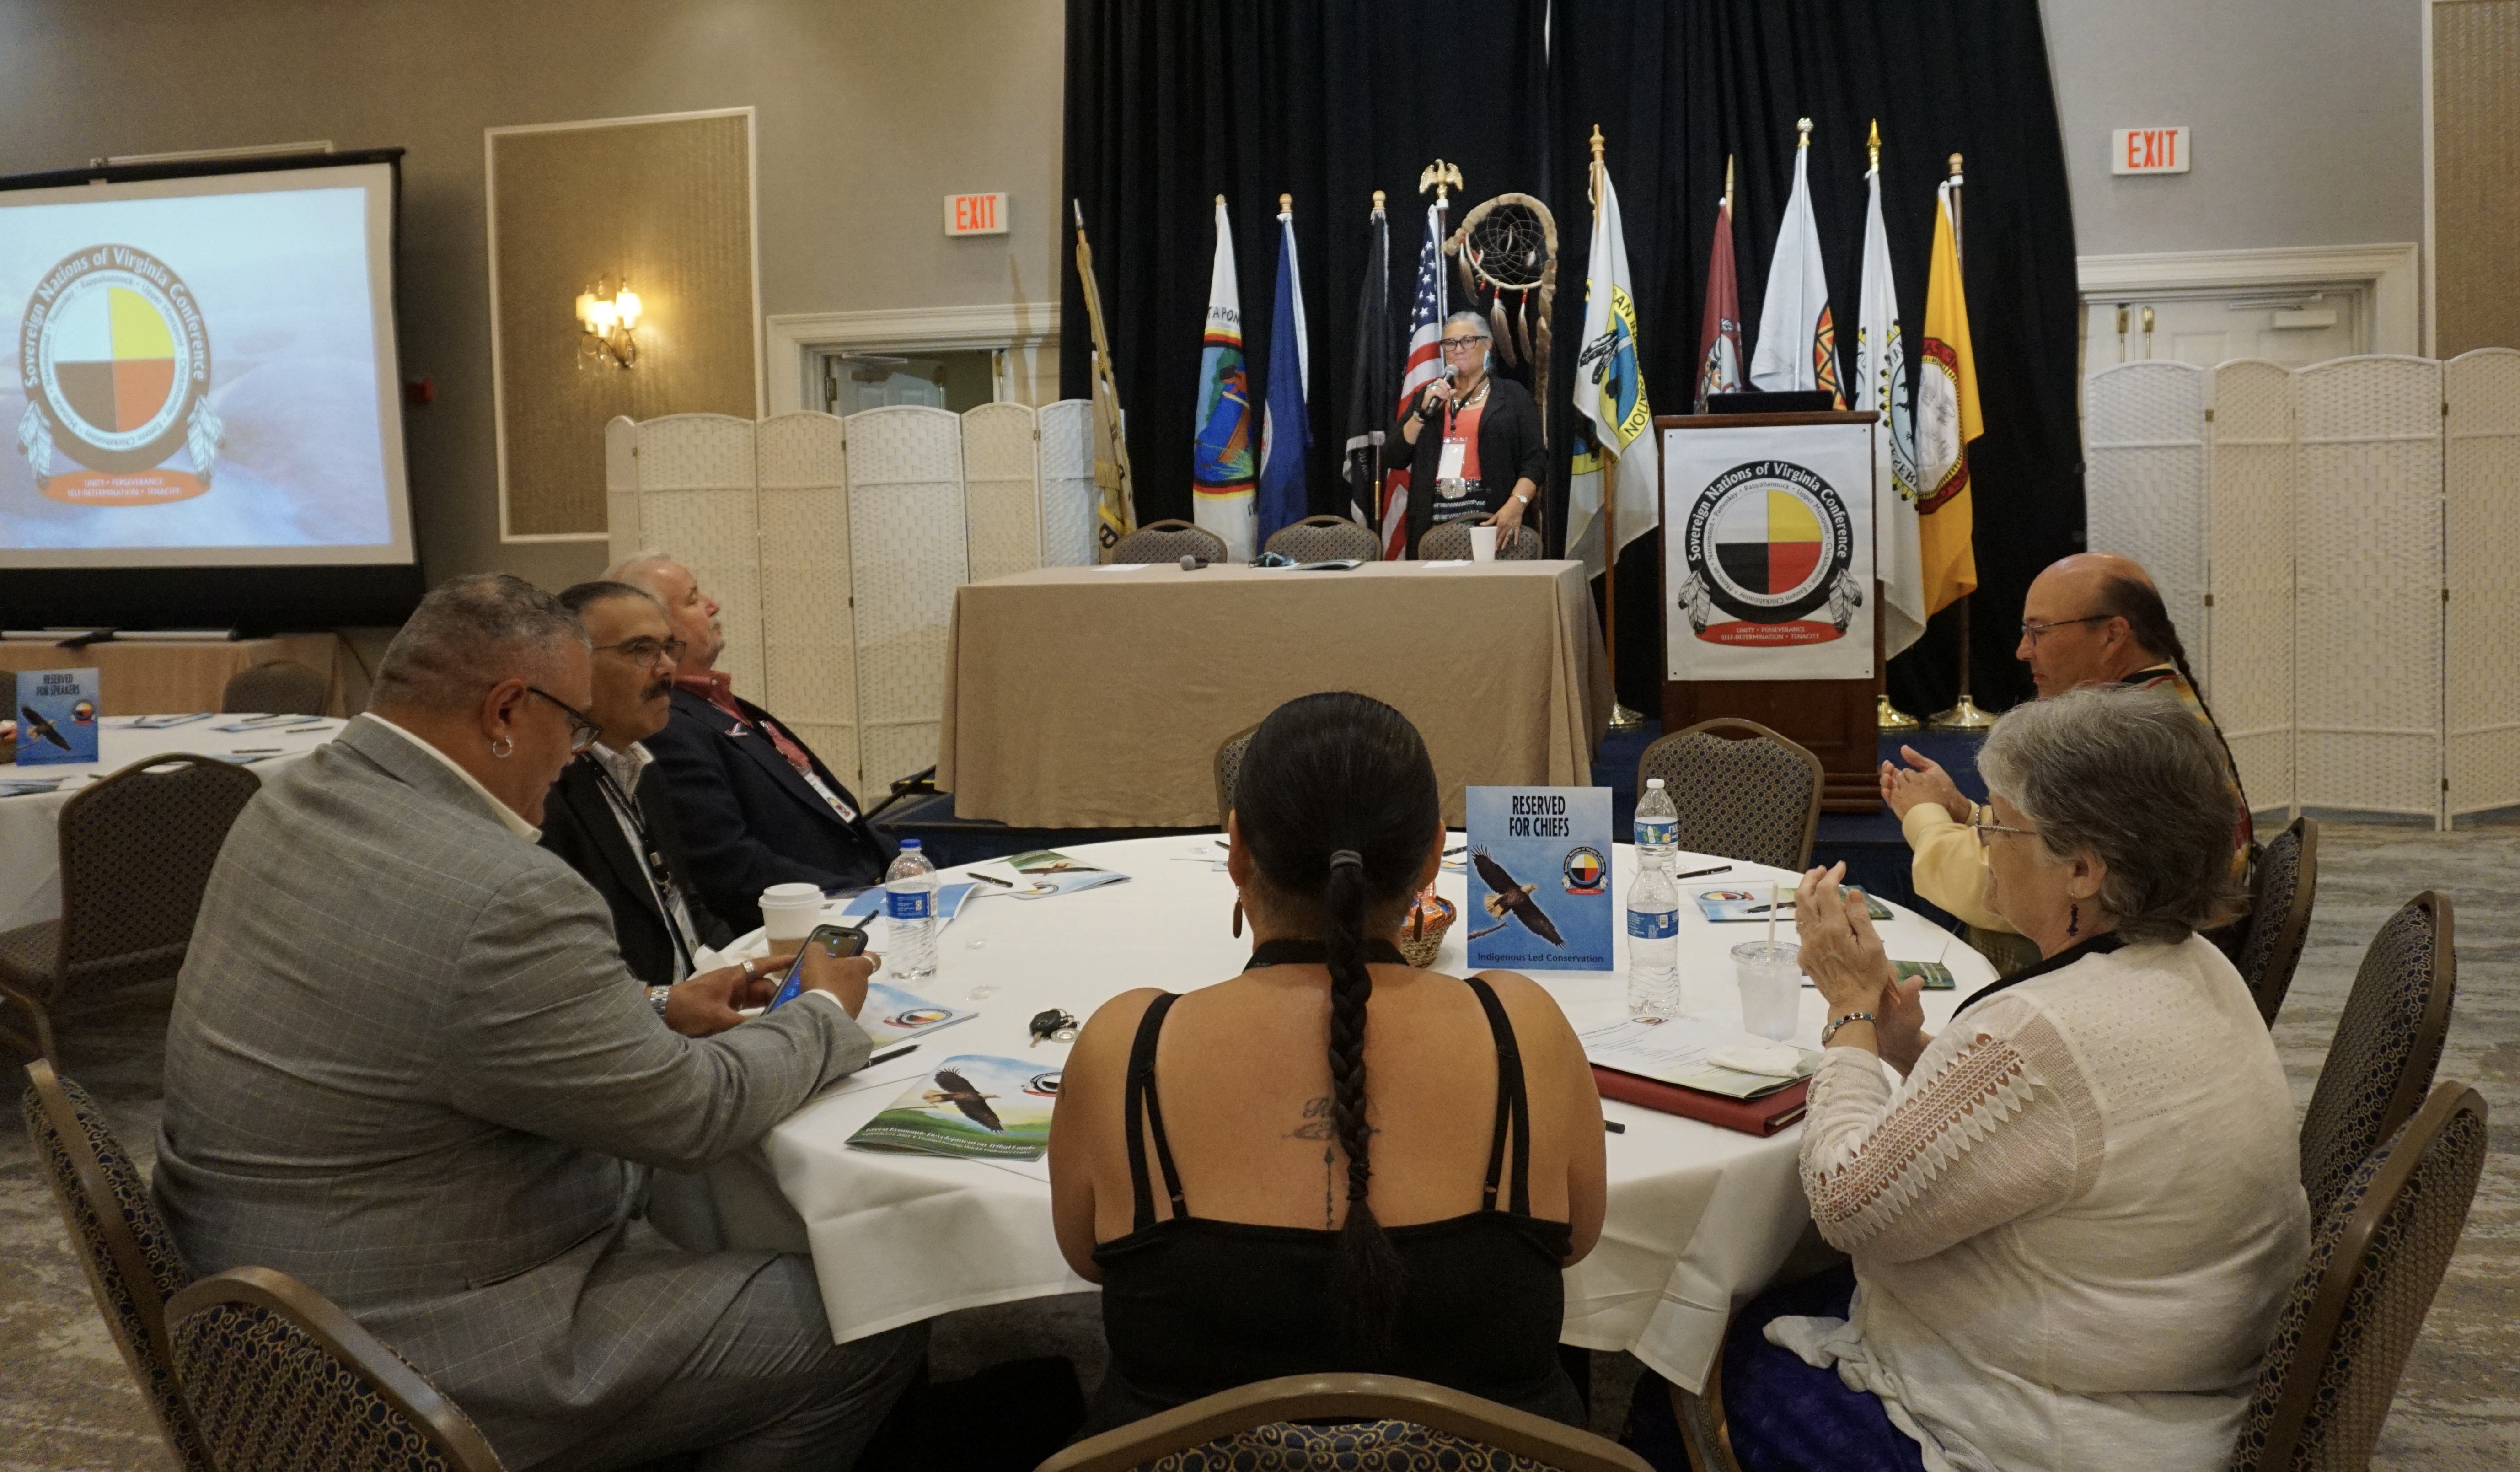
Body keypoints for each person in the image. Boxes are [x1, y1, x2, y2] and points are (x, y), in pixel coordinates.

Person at [152, 573, 924, 1472]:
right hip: (408, 1345)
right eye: (578, 726)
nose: (576, 754)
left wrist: (655, 1006)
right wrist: (824, 1008)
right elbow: (694, 1115)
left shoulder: (290, 799)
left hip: (256, 1303)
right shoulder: (506, 891)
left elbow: (432, 1010)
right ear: (508, 711)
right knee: (861, 1316)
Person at [1633, 685, 2310, 1471]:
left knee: (1685, 1354)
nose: (1981, 839)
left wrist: (1849, 1011)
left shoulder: (2037, 1034)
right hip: (2176, 1375)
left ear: (2082, 869)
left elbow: (1844, 1205)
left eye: (1999, 824)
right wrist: (1908, 1047)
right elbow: (2048, 1138)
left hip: (2053, 1429)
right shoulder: (2200, 967)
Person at [1048, 692, 1606, 1430]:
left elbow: (1088, 1255)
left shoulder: (1127, 1044)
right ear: (1433, 856)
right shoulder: (1522, 1026)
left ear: (1237, 848)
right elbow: (1576, 1240)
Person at [1882, 552, 2253, 939]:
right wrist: (1967, 813)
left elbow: (2005, 891)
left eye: (2039, 631)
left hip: (2126, 962)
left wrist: (1923, 815)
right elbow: (2059, 842)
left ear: (2112, 635)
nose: (2023, 651)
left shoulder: (2118, 736)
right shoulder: (2160, 703)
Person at [610, 552, 891, 931]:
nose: (713, 605)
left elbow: (832, 811)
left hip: (867, 893)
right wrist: (864, 897)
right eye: (693, 599)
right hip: (814, 924)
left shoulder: (721, 704)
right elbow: (731, 866)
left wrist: (910, 871)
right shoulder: (667, 727)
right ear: (656, 632)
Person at [538, 580, 734, 990]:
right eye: (641, 651)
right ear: (570, 665)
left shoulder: (643, 768)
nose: (667, 668)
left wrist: (740, 971)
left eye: (667, 648)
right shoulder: (546, 793)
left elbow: (683, 900)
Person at [1382, 310, 1548, 557]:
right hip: (1433, 525)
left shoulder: (1513, 396)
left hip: (1494, 521)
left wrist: (1517, 504)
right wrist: (1420, 415)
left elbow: (1536, 460)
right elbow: (1393, 457)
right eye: (1450, 343)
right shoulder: (1428, 397)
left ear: (1488, 344)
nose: (1458, 350)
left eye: (1467, 341)